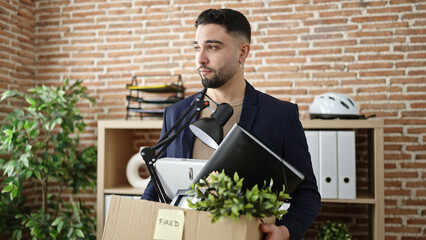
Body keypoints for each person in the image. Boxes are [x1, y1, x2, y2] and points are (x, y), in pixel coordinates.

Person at [142, 8, 321, 240]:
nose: (200, 59)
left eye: (213, 47)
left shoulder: (280, 116)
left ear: (243, 52)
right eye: (197, 47)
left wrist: (285, 231)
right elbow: (158, 183)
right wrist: (141, 220)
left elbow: (307, 193)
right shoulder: (176, 113)